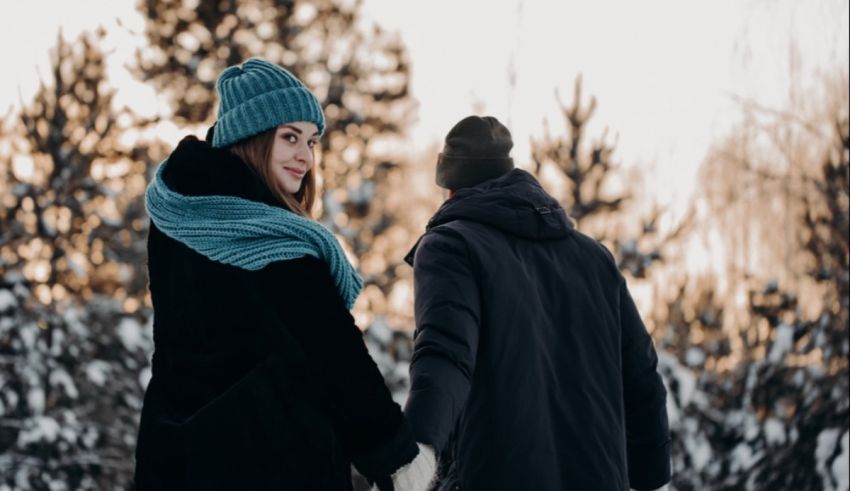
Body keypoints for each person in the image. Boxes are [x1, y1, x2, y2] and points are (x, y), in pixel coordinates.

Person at [134, 58, 435, 491]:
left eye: (311, 142)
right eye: (289, 137)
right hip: (269, 462)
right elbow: (334, 355)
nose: (305, 157)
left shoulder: (176, 218)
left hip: (177, 455)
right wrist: (396, 457)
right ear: (251, 136)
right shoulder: (278, 242)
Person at [403, 115, 671, 491]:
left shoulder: (452, 246)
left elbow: (445, 355)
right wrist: (651, 474)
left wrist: (411, 459)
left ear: (450, 189)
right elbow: (641, 374)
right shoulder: (594, 258)